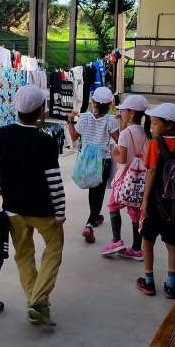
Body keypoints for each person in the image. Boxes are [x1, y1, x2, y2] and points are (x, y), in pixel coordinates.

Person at [0, 84, 65, 327]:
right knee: (54, 248)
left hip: (13, 208)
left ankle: (35, 300)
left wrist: (0, 188)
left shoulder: (3, 134)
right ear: (41, 110)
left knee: (24, 255)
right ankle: (38, 301)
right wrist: (60, 210)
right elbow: (54, 179)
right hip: (43, 210)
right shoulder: (46, 141)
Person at [137, 102, 175, 299]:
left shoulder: (155, 144)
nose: (152, 128)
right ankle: (171, 286)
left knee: (147, 240)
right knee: (172, 243)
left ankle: (149, 281)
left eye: (155, 123)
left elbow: (151, 172)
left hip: (156, 202)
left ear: (169, 125)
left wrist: (144, 201)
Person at [68, 86, 119, 244]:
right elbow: (119, 139)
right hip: (103, 160)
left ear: (93, 101)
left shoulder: (84, 118)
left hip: (86, 160)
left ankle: (95, 217)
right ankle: (90, 223)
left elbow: (74, 136)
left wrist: (70, 120)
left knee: (92, 189)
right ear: (110, 104)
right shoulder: (110, 120)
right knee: (99, 191)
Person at [102, 94, 149, 260]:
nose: (120, 113)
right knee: (135, 211)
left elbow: (121, 159)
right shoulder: (146, 132)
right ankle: (136, 248)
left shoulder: (125, 134)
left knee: (113, 205)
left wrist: (113, 152)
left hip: (124, 178)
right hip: (139, 180)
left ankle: (116, 240)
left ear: (132, 113)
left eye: (123, 111)